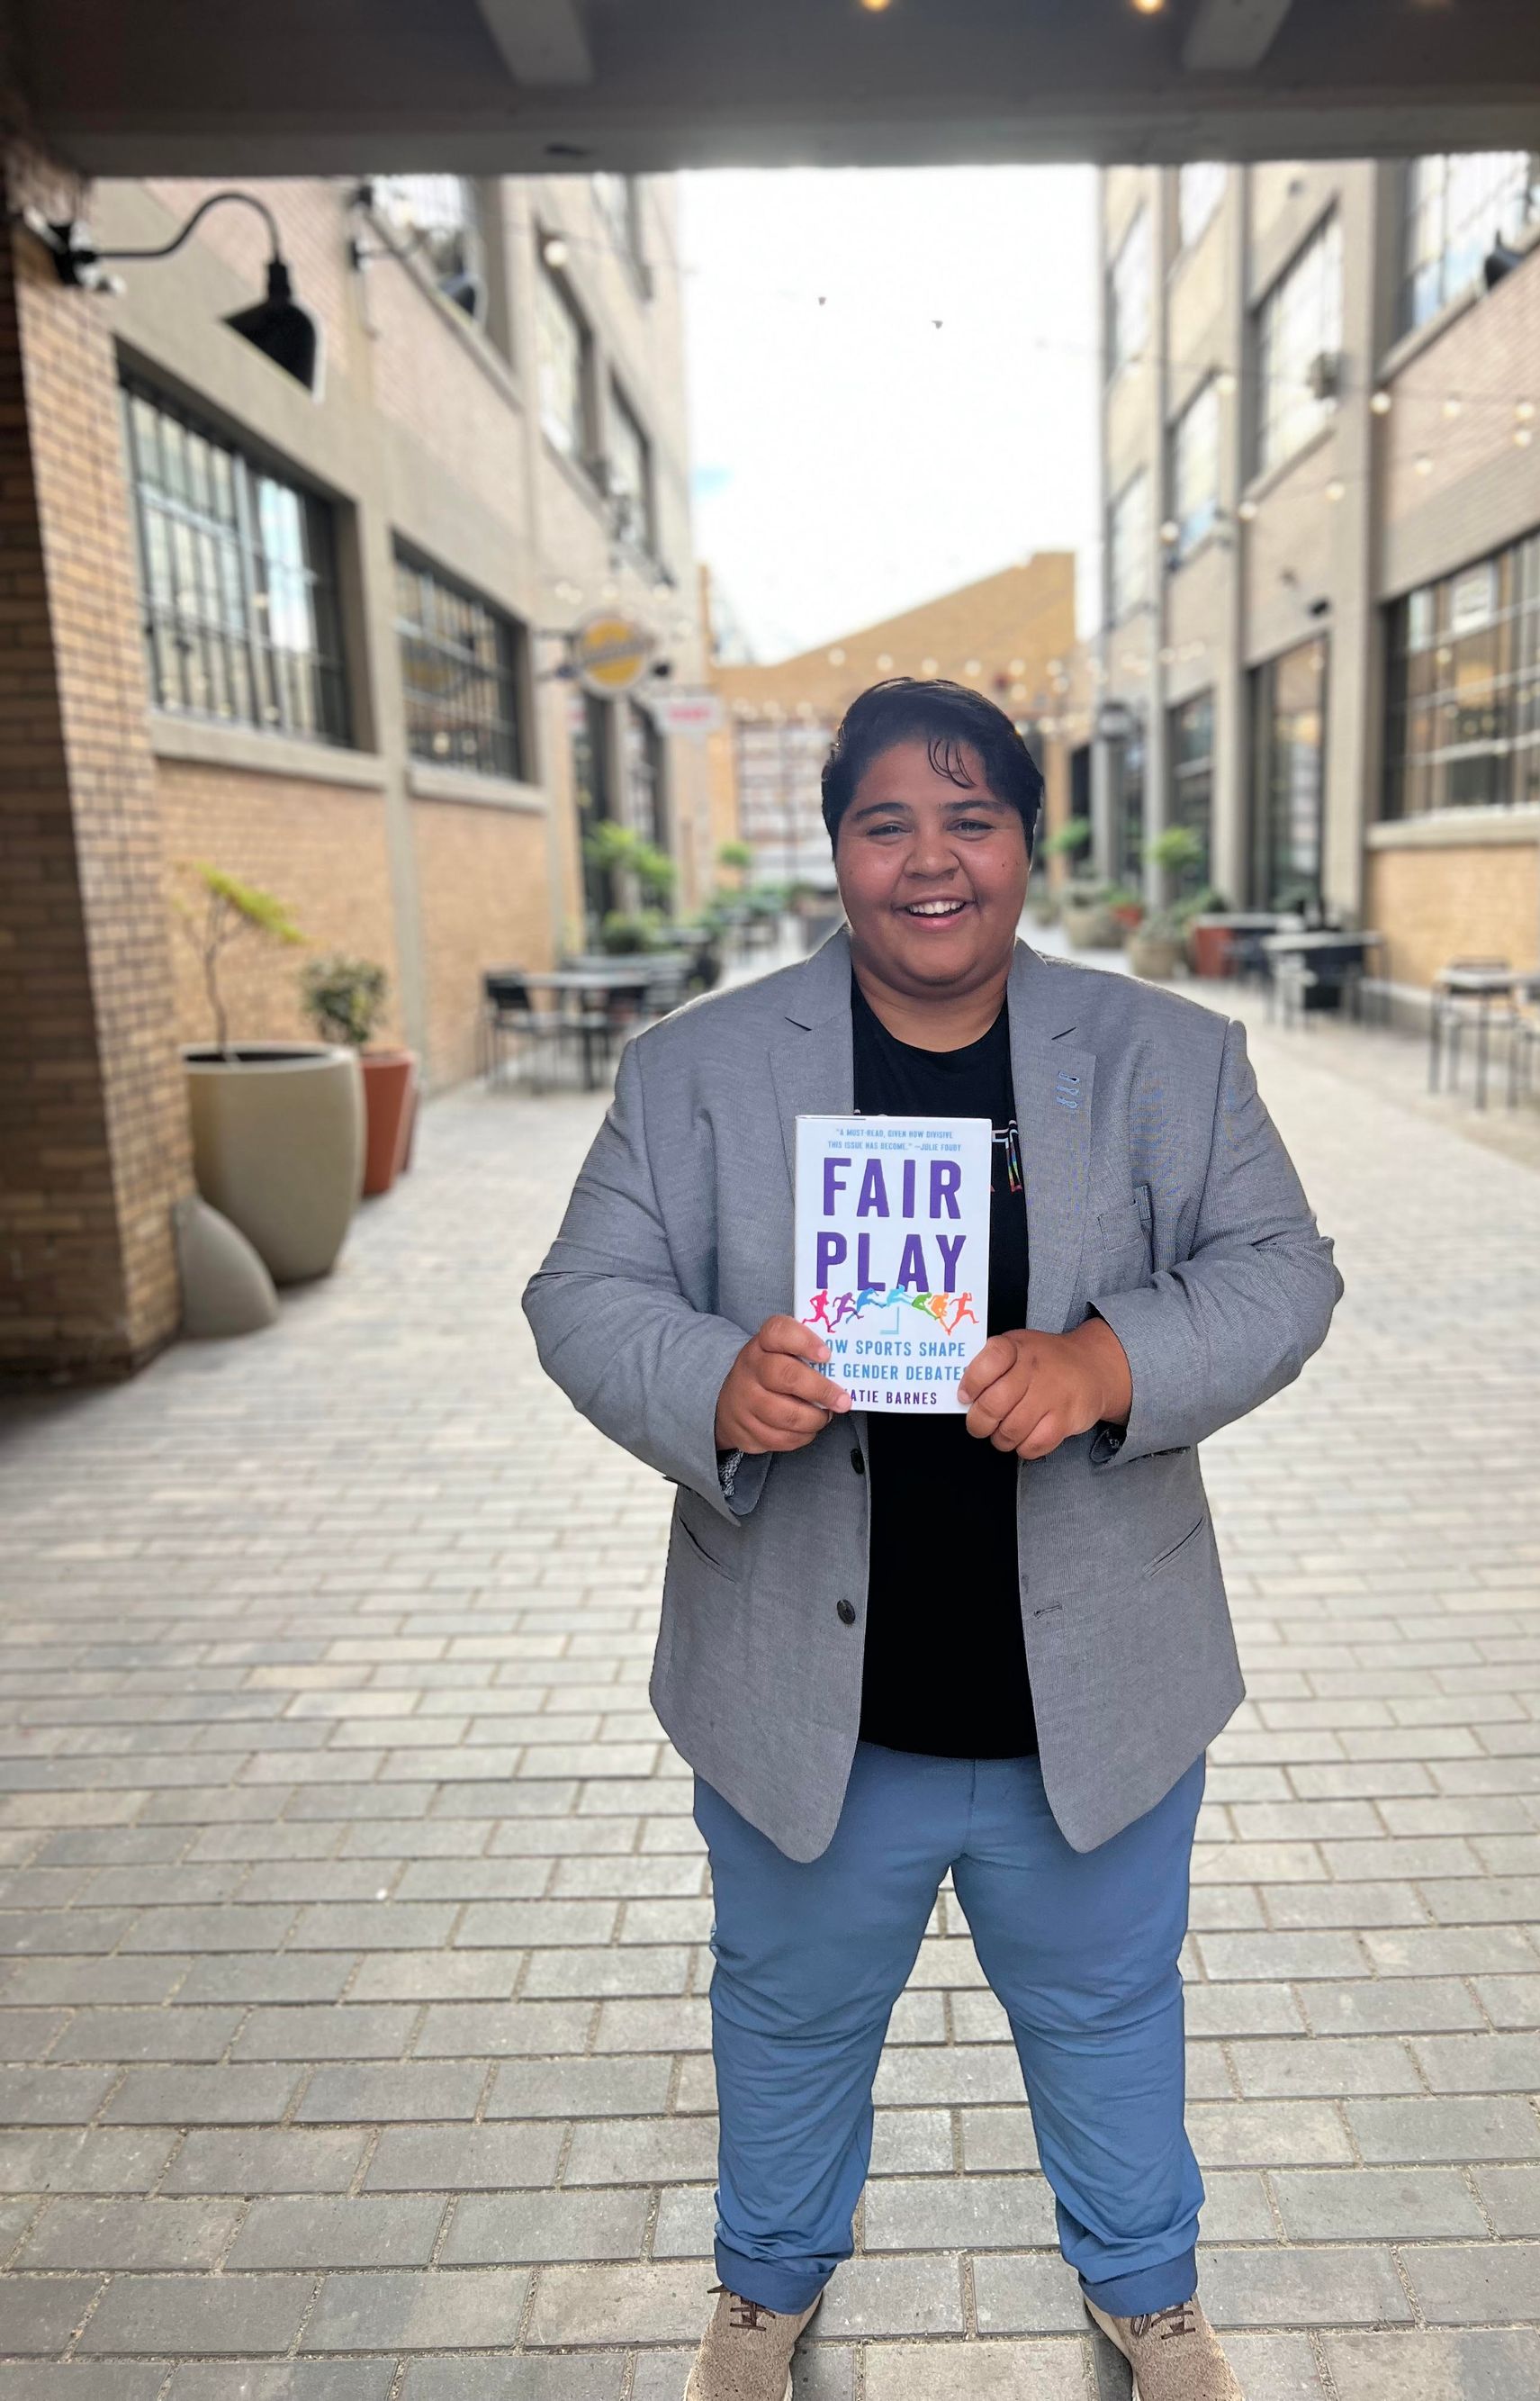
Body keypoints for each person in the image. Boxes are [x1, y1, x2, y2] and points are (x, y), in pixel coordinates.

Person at [525, 679, 1343, 2401]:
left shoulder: (1166, 1060)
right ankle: (763, 2295)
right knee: (788, 2020)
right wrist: (710, 1380)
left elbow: (1283, 1270)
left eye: (971, 818)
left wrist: (1110, 1356)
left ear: (1029, 842)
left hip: (1095, 1690)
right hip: (810, 1700)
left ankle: (1150, 2292)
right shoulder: (698, 1073)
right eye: (887, 820)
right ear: (836, 847)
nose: (931, 861)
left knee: (1112, 2019)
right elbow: (582, 1291)